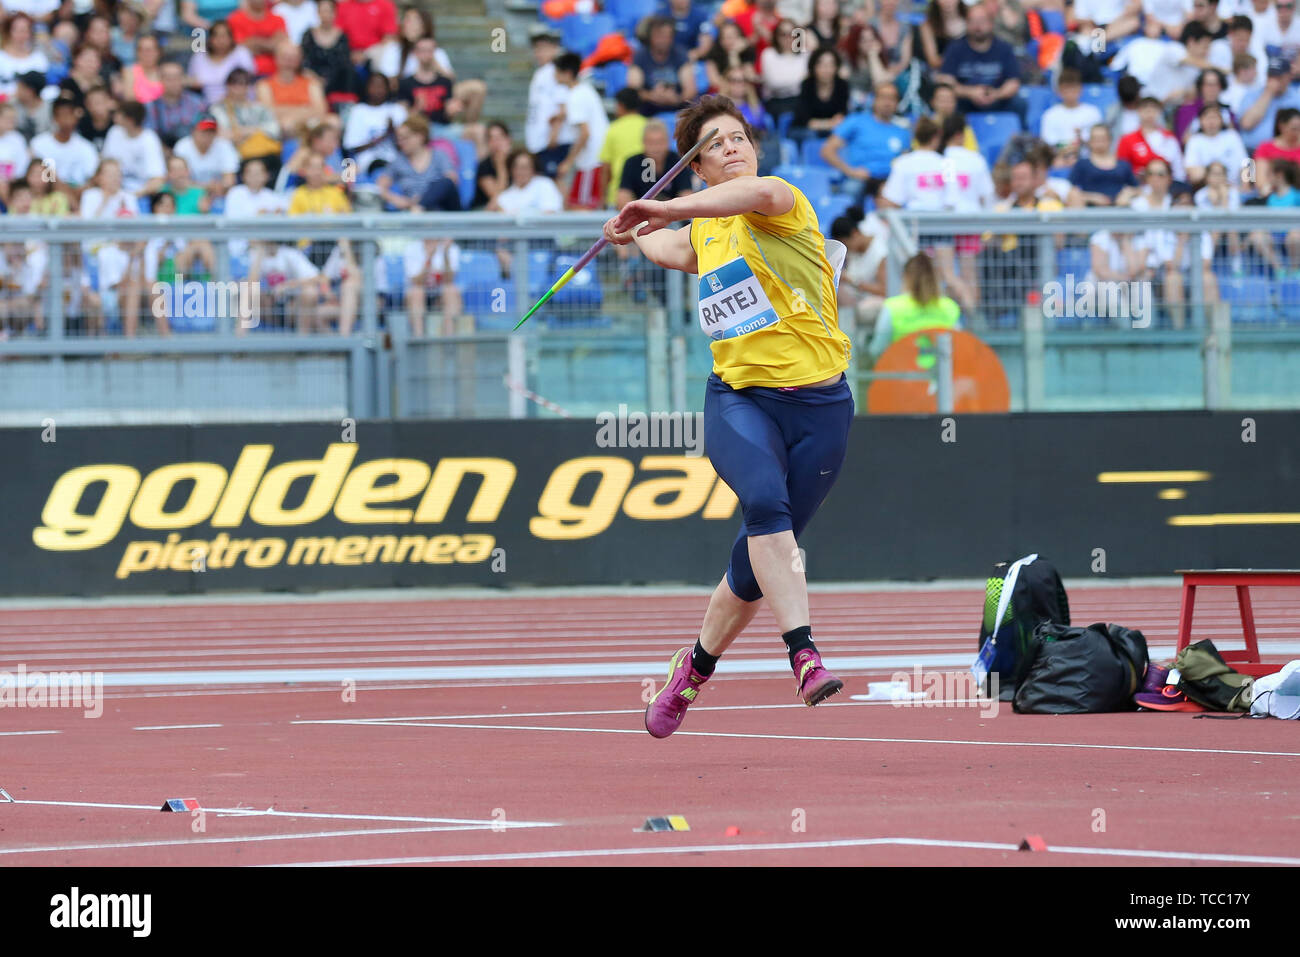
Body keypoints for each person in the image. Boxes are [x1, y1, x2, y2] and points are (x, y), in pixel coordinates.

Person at [602, 94, 853, 737]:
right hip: (740, 400)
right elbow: (671, 249)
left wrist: (657, 207)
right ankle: (804, 655)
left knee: (755, 562)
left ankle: (693, 668)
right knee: (766, 510)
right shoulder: (705, 231)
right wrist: (633, 232)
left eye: (738, 137)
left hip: (822, 407)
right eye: (714, 144)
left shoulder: (780, 200)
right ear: (697, 167)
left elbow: (737, 201)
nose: (733, 147)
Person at [820, 80, 911, 201]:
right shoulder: (856, 121)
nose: (887, 102)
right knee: (851, 189)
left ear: (897, 103)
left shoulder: (902, 131)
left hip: (890, 181)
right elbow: (827, 150)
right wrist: (850, 171)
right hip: (861, 178)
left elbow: (905, 162)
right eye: (883, 97)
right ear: (874, 100)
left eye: (892, 98)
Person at [934, 3, 1022, 121]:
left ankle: (1021, 136)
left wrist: (996, 94)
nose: (977, 26)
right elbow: (945, 81)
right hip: (964, 100)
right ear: (966, 23)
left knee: (1019, 104)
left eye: (982, 21)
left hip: (997, 98)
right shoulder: (955, 48)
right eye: (973, 21)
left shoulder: (1004, 48)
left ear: (991, 23)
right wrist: (970, 92)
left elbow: (1013, 82)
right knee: (946, 102)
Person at [868, 251, 960, 362]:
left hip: (903, 375)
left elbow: (876, 349)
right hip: (942, 375)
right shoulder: (949, 306)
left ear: (906, 277)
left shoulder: (893, 306)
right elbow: (958, 345)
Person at [553, 52, 610, 210]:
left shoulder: (575, 97)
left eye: (556, 71)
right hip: (596, 157)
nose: (554, 75)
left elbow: (585, 133)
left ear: (567, 73)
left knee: (582, 207)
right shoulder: (585, 90)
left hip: (590, 161)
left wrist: (568, 162)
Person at [629, 15, 698, 116]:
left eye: (666, 36)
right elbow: (633, 89)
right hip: (648, 109)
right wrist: (651, 95)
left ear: (672, 38)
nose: (662, 40)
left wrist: (677, 98)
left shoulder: (680, 54)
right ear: (650, 36)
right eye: (659, 36)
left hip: (677, 109)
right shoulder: (640, 55)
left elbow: (691, 89)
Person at [101, 100, 167, 195]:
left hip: (140, 194)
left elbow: (157, 180)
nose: (115, 117)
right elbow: (104, 165)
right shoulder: (114, 132)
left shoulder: (149, 139)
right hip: (112, 191)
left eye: (119, 114)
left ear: (129, 120)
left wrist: (132, 196)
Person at [1068, 124, 1140, 206]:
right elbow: (1071, 191)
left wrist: (1128, 194)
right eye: (1095, 138)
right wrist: (1091, 197)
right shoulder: (1082, 164)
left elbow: (1137, 189)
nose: (1099, 142)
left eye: (1102, 138)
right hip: (1090, 210)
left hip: (1119, 210)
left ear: (1110, 140)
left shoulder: (1123, 164)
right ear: (1090, 141)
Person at [599, 89, 648, 209]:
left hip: (618, 195)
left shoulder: (613, 129)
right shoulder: (648, 125)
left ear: (620, 105)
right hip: (647, 192)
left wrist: (602, 198)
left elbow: (606, 168)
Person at [187, 19, 256, 105]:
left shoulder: (241, 53)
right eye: (216, 36)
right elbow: (191, 81)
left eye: (224, 36)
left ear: (231, 38)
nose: (221, 40)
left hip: (239, 103)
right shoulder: (199, 56)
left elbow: (248, 81)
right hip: (206, 104)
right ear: (210, 39)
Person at [1184, 100, 1248, 185]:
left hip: (1234, 187)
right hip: (1206, 189)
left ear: (1221, 120)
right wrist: (1216, 174)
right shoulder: (1194, 140)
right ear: (1200, 121)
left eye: (1214, 117)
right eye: (1207, 118)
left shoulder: (1232, 136)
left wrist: (1246, 186)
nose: (1211, 122)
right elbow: (1192, 172)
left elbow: (1247, 163)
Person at [1040, 68, 1103, 152]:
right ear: (1058, 91)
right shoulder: (1050, 115)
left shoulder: (1093, 112)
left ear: (1080, 89)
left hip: (1088, 159)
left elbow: (1100, 141)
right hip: (1060, 159)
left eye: (1073, 88)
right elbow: (1049, 143)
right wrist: (1071, 145)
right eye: (1066, 89)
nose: (1070, 93)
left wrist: (1082, 141)